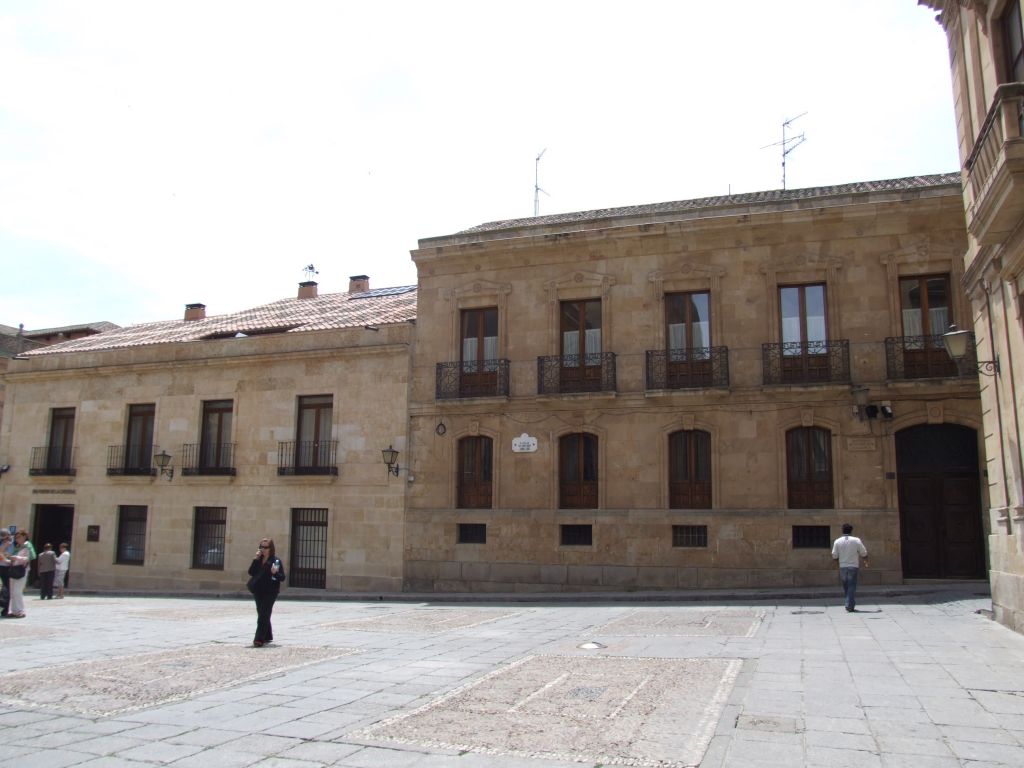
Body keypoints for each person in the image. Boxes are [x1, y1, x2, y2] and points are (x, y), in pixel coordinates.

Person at [247, 538, 285, 647]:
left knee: (263, 614)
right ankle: (268, 635)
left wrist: (275, 573)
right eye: (261, 547)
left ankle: (258, 639)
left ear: (270, 548)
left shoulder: (275, 561)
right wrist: (256, 559)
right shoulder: (258, 560)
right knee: (262, 612)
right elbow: (251, 572)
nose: (263, 549)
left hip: (270, 591)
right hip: (258, 590)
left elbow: (282, 577)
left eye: (265, 547)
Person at [832, 523, 869, 612]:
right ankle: (849, 604)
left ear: (842, 530)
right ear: (851, 531)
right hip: (853, 566)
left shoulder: (837, 541)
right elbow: (863, 552)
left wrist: (837, 563)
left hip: (843, 566)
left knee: (846, 586)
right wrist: (865, 560)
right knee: (852, 586)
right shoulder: (856, 540)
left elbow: (834, 555)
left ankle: (849, 603)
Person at [2, 531, 33, 618]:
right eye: (16, 537)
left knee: (17, 591)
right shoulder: (17, 547)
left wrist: (16, 558)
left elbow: (27, 558)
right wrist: (6, 558)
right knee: (12, 592)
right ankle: (14, 611)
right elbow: (12, 560)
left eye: (19, 537)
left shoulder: (27, 546)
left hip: (21, 570)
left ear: (24, 536)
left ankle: (20, 611)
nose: (17, 539)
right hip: (14, 570)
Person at [0, 530, 12, 616]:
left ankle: (5, 609)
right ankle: (4, 609)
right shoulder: (7, 543)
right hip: (4, 566)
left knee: (6, 588)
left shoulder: (10, 544)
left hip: (6, 567)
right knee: (5, 587)